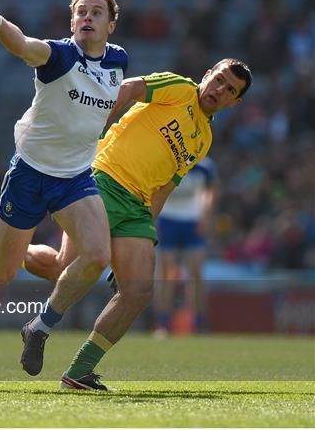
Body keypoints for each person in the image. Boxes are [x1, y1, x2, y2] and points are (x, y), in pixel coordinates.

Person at [24, 58, 252, 390]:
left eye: (230, 89)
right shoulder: (178, 88)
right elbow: (129, 88)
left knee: (139, 290)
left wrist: (145, 231)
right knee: (71, 266)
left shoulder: (203, 139)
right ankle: (33, 317)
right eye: (219, 80)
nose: (220, 89)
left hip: (136, 206)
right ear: (207, 75)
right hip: (102, 179)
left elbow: (164, 189)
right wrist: (96, 126)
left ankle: (78, 373)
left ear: (236, 101)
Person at [0, 0, 127, 376]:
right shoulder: (58, 55)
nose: (87, 17)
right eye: (81, 12)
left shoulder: (118, 61)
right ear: (72, 21)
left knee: (95, 256)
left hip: (74, 178)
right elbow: (22, 43)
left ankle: (39, 327)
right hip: (29, 174)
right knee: (0, 273)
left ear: (111, 24)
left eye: (96, 12)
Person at [153, 157, 217, 336]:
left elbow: (209, 191)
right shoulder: (167, 161)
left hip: (193, 221)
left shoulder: (204, 166)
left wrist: (206, 214)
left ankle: (197, 323)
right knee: (166, 274)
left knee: (196, 274)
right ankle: (163, 323)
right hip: (168, 220)